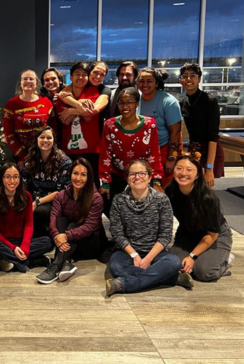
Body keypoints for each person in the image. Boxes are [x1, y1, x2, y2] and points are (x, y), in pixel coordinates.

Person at [105, 160, 193, 296]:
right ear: (127, 179)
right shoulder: (119, 200)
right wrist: (134, 255)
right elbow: (117, 233)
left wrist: (147, 259)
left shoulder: (162, 200)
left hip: (156, 253)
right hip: (127, 253)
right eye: (133, 174)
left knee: (174, 262)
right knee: (115, 266)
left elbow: (165, 235)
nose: (137, 177)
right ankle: (170, 278)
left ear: (149, 177)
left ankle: (124, 284)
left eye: (142, 173)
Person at [36, 158, 105, 284]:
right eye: (75, 173)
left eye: (83, 175)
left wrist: (66, 236)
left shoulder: (96, 198)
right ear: (70, 174)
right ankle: (66, 262)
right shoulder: (61, 195)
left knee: (74, 224)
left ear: (89, 177)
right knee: (61, 220)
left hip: (90, 244)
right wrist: (57, 235)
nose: (78, 178)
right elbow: (53, 218)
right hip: (70, 244)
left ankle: (56, 264)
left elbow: (89, 227)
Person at [99, 87, 164, 217]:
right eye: (121, 102)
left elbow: (154, 154)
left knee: (150, 204)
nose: (125, 106)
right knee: (104, 201)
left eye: (129, 102)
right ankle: (121, 228)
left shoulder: (149, 124)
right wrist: (105, 181)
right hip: (118, 172)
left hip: (141, 174)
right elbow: (105, 154)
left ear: (137, 104)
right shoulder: (109, 125)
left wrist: (156, 181)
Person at [166, 156, 233, 281]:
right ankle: (204, 258)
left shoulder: (207, 198)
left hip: (214, 235)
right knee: (174, 267)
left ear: (197, 175)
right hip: (187, 234)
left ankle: (223, 261)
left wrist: (192, 256)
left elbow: (212, 234)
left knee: (203, 272)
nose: (183, 173)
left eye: (189, 170)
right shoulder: (170, 191)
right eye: (179, 168)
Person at [0, 163, 52, 273]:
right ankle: (30, 262)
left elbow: (29, 224)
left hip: (22, 241)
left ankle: (7, 261)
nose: (12, 181)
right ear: (1, 178)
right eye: (8, 177)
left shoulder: (26, 196)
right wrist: (13, 248)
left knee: (48, 242)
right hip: (3, 242)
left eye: (15, 177)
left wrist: (25, 246)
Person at [21, 126, 72, 237]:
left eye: (49, 138)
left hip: (55, 201)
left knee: (39, 211)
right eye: (42, 137)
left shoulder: (64, 162)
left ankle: (43, 239)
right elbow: (24, 185)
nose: (45, 140)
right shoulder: (30, 160)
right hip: (33, 199)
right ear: (37, 140)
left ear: (54, 140)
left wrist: (37, 202)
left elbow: (61, 191)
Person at [178, 63, 224, 186]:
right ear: (180, 80)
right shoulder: (182, 102)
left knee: (205, 189)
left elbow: (213, 136)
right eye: (185, 76)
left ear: (199, 79)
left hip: (210, 149)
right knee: (193, 187)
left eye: (193, 75)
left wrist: (209, 168)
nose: (188, 79)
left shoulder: (209, 100)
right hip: (194, 148)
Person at [56, 62, 101, 185]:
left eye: (84, 75)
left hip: (91, 149)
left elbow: (88, 116)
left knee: (92, 184)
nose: (80, 77)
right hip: (69, 150)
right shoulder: (63, 95)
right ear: (70, 78)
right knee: (71, 184)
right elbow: (65, 120)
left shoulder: (92, 91)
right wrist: (80, 106)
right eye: (77, 74)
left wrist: (70, 110)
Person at [137, 67, 182, 187]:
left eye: (149, 81)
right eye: (141, 81)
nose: (145, 84)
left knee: (161, 187)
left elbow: (176, 132)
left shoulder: (169, 101)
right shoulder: (135, 100)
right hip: (140, 151)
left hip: (163, 150)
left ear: (156, 83)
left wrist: (171, 158)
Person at [2, 69, 52, 162]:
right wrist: (22, 155)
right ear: (20, 82)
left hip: (44, 152)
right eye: (25, 79)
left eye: (31, 79)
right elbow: (8, 133)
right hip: (21, 156)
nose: (28, 81)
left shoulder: (46, 103)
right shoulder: (11, 105)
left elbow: (53, 129)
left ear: (36, 83)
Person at [40, 67, 65, 145]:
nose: (50, 82)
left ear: (60, 80)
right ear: (43, 84)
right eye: (47, 80)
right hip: (48, 142)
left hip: (69, 139)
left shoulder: (69, 93)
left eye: (53, 79)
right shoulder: (40, 100)